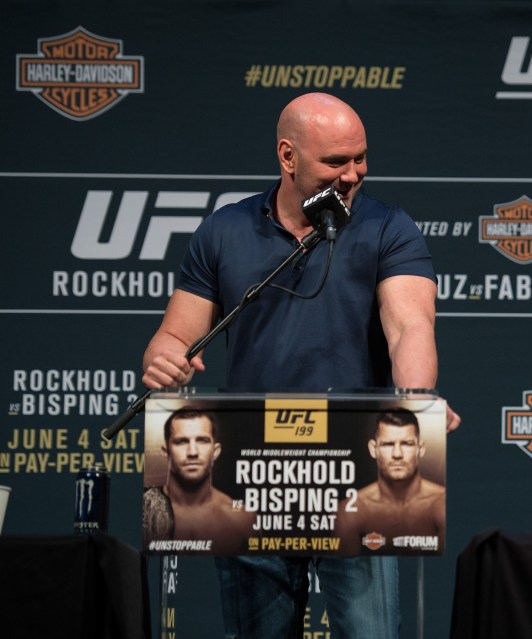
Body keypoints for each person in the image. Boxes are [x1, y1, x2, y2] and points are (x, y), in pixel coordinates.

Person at [141, 92, 460, 639]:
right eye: (336, 162)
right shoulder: (224, 231)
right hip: (252, 473)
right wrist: (163, 358)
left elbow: (410, 324)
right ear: (288, 157)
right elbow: (173, 335)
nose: (353, 174)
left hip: (354, 474)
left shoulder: (390, 227)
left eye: (360, 158)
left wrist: (415, 398)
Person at [143, 407, 255, 553]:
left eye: (202, 441)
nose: (193, 452)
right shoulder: (144, 510)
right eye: (181, 442)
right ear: (166, 452)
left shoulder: (242, 518)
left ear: (215, 452)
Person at [337, 408, 445, 555]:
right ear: (373, 449)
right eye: (388, 444)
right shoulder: (350, 511)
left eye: (407, 443)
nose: (397, 454)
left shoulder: (440, 504)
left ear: (421, 449)